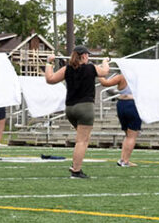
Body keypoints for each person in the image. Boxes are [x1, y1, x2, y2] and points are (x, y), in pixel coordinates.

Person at [44, 45, 111, 179]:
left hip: (70, 109)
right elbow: (105, 72)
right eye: (88, 55)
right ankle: (76, 170)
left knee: (82, 139)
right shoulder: (91, 68)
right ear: (84, 56)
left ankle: (76, 167)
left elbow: (49, 79)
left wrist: (49, 62)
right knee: (82, 141)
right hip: (85, 108)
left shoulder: (66, 69)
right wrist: (105, 62)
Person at [99, 70, 140, 167]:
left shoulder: (121, 77)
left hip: (121, 104)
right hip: (132, 104)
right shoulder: (138, 78)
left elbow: (105, 83)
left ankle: (123, 159)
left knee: (127, 134)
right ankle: (125, 161)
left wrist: (99, 73)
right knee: (132, 135)